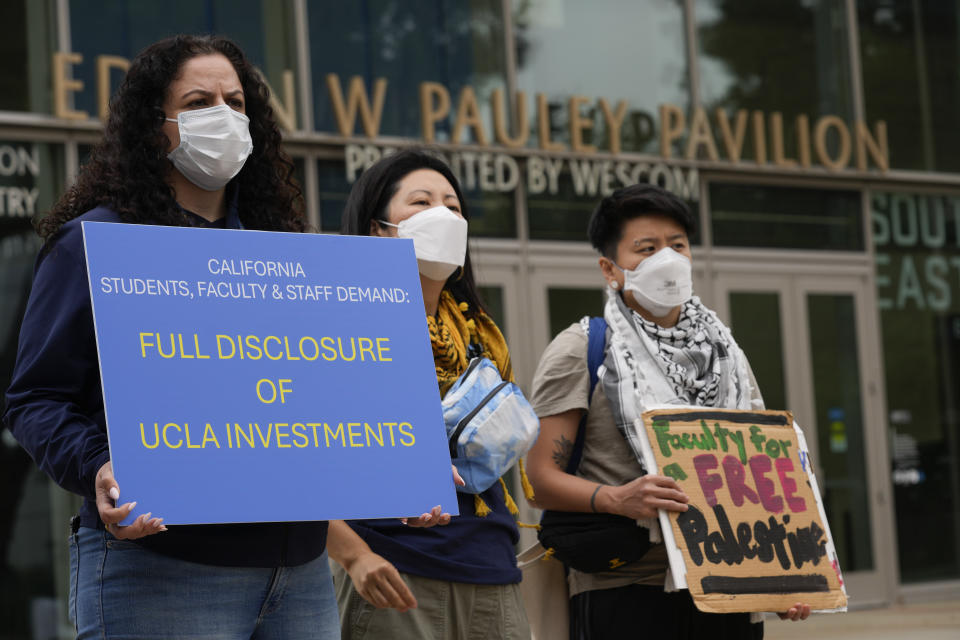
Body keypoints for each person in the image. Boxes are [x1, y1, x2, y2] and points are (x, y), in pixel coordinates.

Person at [4, 34, 335, 640]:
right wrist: (97, 465)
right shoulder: (95, 245)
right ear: (155, 128)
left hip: (303, 576)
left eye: (236, 103)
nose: (225, 118)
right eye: (199, 102)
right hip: (162, 568)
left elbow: (319, 393)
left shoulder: (286, 260)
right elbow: (35, 400)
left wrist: (410, 464)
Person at [525, 184, 811, 639]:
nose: (668, 258)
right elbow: (538, 481)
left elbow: (763, 467)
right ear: (610, 268)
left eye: (677, 245)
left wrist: (784, 578)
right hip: (625, 585)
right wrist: (618, 499)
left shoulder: (727, 355)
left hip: (727, 589)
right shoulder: (581, 349)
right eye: (647, 248)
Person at [329, 148, 531, 640]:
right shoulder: (336, 330)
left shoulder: (482, 336)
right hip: (394, 570)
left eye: (453, 206)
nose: (442, 215)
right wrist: (354, 556)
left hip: (491, 570)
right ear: (378, 229)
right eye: (420, 202)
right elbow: (295, 457)